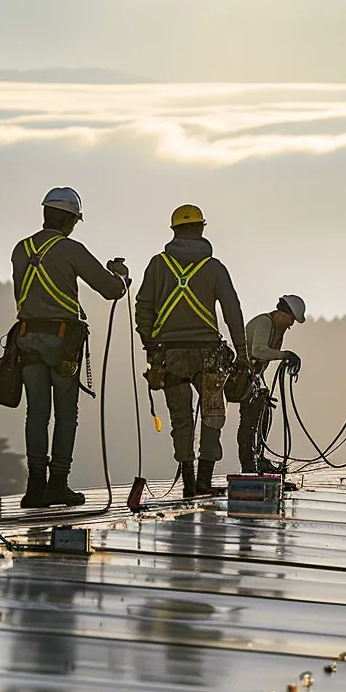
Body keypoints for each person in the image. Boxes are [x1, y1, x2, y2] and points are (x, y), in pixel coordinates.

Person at [11, 187, 129, 508]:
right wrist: (121, 277)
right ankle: (58, 485)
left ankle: (35, 487)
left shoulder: (21, 250)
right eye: (75, 220)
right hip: (63, 341)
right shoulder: (71, 249)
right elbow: (109, 290)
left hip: (26, 338)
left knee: (36, 413)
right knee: (66, 415)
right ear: (67, 219)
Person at [135, 204, 247, 497]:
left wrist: (149, 342)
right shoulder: (214, 269)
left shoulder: (158, 265)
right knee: (212, 415)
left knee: (180, 418)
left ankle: (188, 482)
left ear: (174, 232)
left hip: (169, 354)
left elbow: (144, 306)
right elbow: (232, 312)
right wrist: (243, 354)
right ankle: (205, 481)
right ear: (201, 229)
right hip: (208, 354)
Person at [237, 295, 306, 473]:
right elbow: (258, 351)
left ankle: (257, 458)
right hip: (240, 378)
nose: (291, 324)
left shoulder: (277, 330)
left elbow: (261, 363)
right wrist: (285, 355)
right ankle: (249, 463)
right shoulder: (265, 322)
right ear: (282, 313)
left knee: (263, 413)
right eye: (291, 319)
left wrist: (263, 388)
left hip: (253, 378)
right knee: (249, 422)